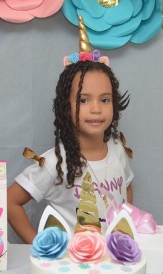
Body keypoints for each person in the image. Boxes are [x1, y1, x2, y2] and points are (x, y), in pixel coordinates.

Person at [7, 20, 134, 244]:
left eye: (104, 100)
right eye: (84, 100)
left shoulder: (117, 149)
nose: (96, 109)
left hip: (113, 258)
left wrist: (124, 227)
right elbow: (10, 202)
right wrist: (38, 246)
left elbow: (126, 187)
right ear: (66, 106)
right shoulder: (55, 163)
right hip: (72, 261)